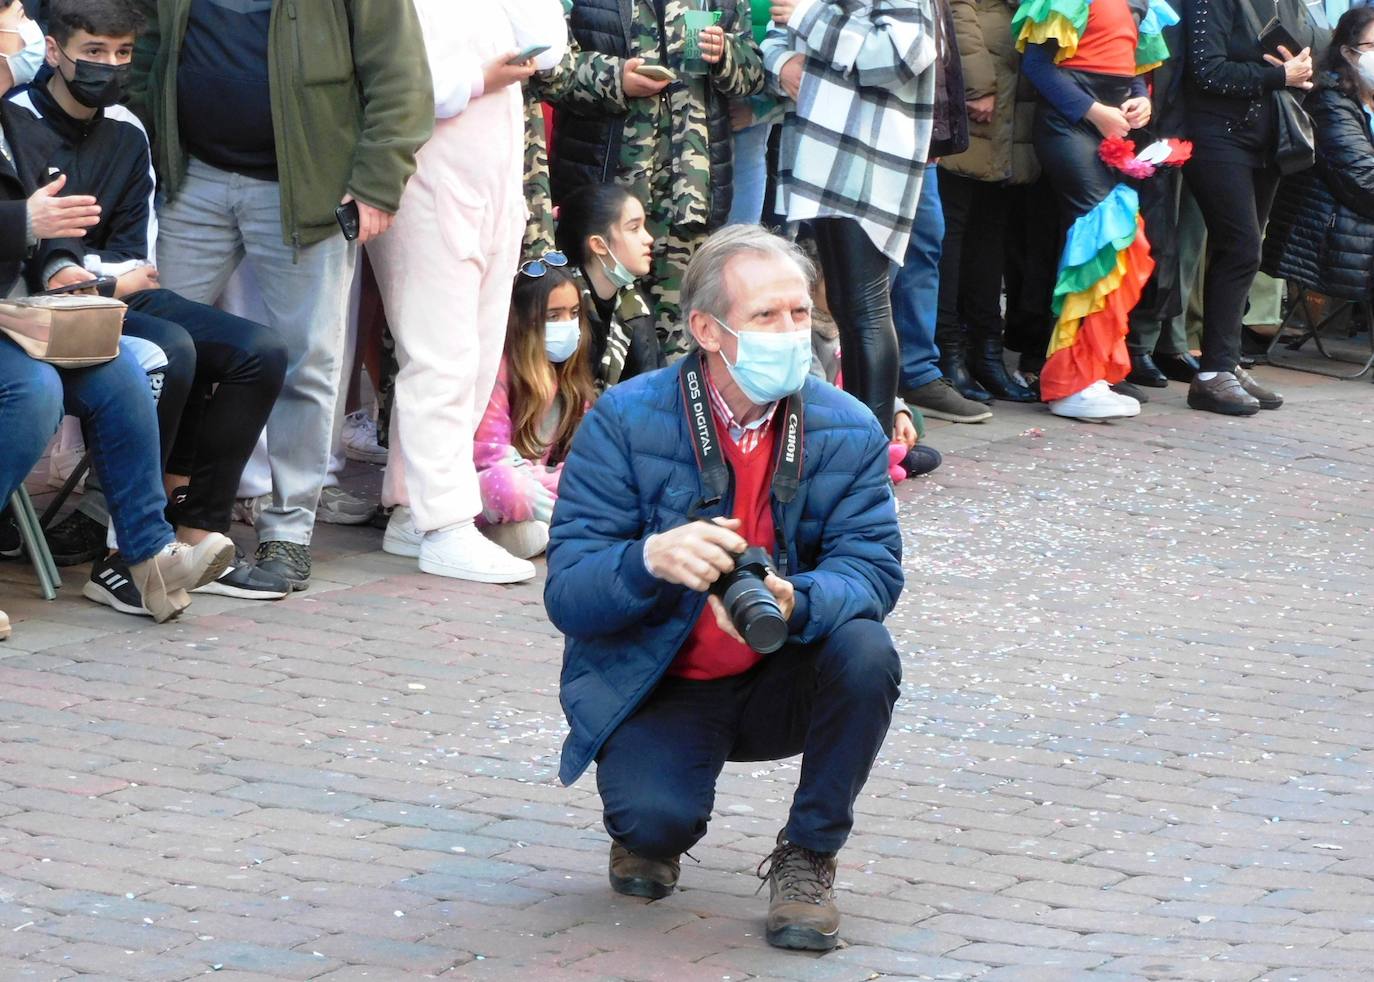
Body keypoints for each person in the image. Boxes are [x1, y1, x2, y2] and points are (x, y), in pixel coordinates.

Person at [546, 226, 903, 952]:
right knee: (652, 829)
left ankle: (808, 855)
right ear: (707, 329)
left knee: (867, 650)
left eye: (800, 314)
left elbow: (873, 568)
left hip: (781, 666)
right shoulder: (624, 419)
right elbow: (570, 595)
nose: (791, 333)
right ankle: (652, 816)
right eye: (766, 317)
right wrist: (649, 560)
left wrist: (797, 599)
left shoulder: (846, 425)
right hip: (663, 677)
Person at [127, 0, 434, 589]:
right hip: (190, 179)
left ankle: (287, 531)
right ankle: (130, 516)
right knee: (151, 347)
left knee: (307, 361)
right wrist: (152, 143)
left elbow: (401, 77)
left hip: (305, 194)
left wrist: (375, 182)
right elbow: (147, 49)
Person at [5, 0, 290, 610]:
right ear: (53, 52)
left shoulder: (129, 130)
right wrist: (91, 273)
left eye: (123, 53)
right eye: (93, 52)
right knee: (169, 350)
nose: (109, 66)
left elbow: (136, 251)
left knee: (260, 352)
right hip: (40, 308)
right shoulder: (13, 124)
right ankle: (123, 555)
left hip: (113, 292)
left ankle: (195, 533)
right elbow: (34, 261)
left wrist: (99, 276)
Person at [375, 0, 566, 584]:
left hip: (497, 184)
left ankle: (414, 507)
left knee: (479, 359)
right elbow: (388, 83)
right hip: (425, 178)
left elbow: (550, 45)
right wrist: (476, 80)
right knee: (440, 358)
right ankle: (445, 526)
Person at [539, 0, 764, 357]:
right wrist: (616, 79)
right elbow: (547, 72)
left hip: (689, 203)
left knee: (683, 344)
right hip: (606, 207)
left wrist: (725, 54)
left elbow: (752, 75)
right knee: (593, 342)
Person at [764, 0, 940, 438]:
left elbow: (903, 56)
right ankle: (859, 451)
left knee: (864, 305)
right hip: (817, 156)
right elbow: (774, 36)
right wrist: (783, 63)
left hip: (870, 157)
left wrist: (809, 18)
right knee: (843, 303)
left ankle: (871, 456)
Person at [1014, 0, 1176, 420]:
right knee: (1100, 236)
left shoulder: (1141, 3)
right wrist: (1095, 112)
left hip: (1110, 122)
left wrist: (1141, 100)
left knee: (1120, 242)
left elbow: (1135, 69)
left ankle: (1091, 370)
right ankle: (1071, 381)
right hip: (1069, 126)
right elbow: (1037, 65)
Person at [1182, 0, 1321, 413]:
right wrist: (1280, 75)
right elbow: (1205, 70)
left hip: (1267, 138)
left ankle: (1223, 362)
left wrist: (1301, 73)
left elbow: (1307, 59)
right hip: (1216, 134)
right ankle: (1211, 374)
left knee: (1245, 250)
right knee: (1239, 246)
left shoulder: (1289, 4)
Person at [933, 0, 1041, 404]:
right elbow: (956, 13)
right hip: (977, 107)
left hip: (1010, 114)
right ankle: (950, 355)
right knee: (952, 237)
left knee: (989, 239)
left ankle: (987, 355)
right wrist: (978, 85)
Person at [1261, 4, 1374, 371]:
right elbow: (1360, 178)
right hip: (1333, 224)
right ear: (1348, 51)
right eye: (1373, 46)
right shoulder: (1331, 98)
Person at [472, 263, 595, 561]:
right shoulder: (500, 369)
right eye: (554, 316)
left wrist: (564, 481)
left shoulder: (571, 379)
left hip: (541, 490)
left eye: (574, 313)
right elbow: (489, 457)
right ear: (526, 321)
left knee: (595, 482)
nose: (568, 324)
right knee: (512, 489)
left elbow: (586, 459)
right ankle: (564, 527)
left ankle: (536, 532)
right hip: (491, 487)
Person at [554, 182, 660, 391]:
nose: (649, 238)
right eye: (634, 228)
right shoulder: (561, 306)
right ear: (599, 245)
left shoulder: (636, 307)